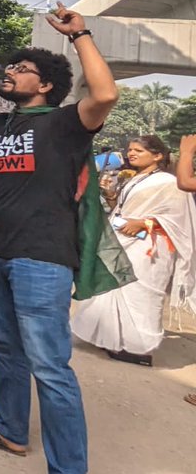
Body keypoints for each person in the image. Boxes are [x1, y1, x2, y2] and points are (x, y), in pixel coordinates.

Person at [0, 2, 118, 474]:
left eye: (22, 69)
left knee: (51, 367)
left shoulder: (68, 122)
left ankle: (68, 467)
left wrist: (80, 35)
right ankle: (10, 430)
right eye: (10, 67)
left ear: (47, 85)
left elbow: (105, 93)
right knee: (4, 346)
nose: (10, 73)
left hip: (42, 259)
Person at [72, 135, 196, 365]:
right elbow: (123, 210)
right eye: (130, 150)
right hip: (123, 239)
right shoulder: (134, 178)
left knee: (139, 294)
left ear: (157, 156)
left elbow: (179, 221)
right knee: (113, 287)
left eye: (138, 150)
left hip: (149, 246)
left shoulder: (168, 183)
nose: (131, 153)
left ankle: (138, 349)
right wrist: (110, 197)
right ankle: (112, 338)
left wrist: (146, 223)